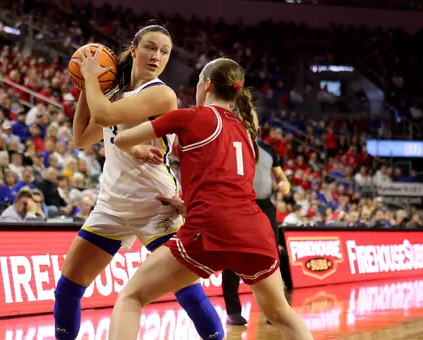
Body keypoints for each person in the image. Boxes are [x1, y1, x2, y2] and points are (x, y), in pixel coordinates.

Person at [110, 58, 313, 340]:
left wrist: (139, 148)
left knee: (131, 297)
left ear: (206, 85)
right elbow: (228, 186)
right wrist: (187, 205)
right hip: (255, 230)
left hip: (212, 227)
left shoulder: (191, 116)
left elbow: (121, 140)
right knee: (280, 312)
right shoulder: (247, 133)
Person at [53, 24, 223, 340]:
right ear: (134, 50)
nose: (156, 56)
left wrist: (91, 77)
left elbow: (103, 117)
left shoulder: (161, 93)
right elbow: (80, 137)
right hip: (112, 206)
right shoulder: (115, 95)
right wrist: (85, 86)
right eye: (150, 47)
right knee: (67, 289)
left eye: (164, 51)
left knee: (188, 292)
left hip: (156, 205)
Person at [222, 138, 291, 325]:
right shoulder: (232, 143)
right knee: (233, 255)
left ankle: (274, 309)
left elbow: (280, 176)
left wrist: (285, 185)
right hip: (239, 203)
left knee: (271, 255)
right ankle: (233, 310)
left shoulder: (269, 150)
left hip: (266, 206)